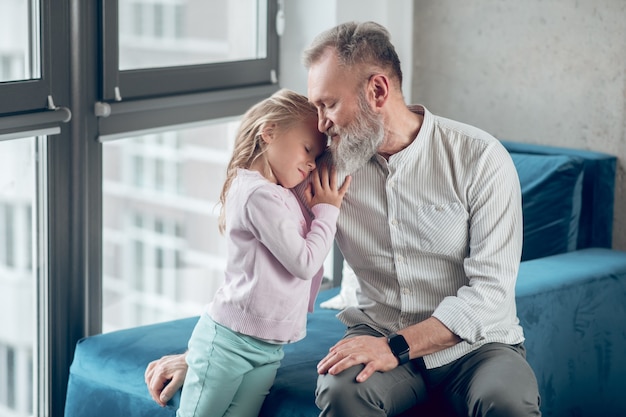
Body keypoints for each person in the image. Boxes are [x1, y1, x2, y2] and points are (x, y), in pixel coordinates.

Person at [146, 21, 542, 417]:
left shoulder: (481, 159)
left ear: (377, 91)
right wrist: (206, 358)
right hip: (375, 332)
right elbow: (263, 258)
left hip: (477, 347)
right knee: (342, 393)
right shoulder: (324, 170)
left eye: (328, 104)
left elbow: (489, 295)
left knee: (505, 403)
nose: (321, 124)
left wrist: (396, 347)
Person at [144, 88, 351, 417]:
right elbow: (304, 262)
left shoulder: (281, 193)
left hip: (270, 348)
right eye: (307, 149)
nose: (312, 163)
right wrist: (328, 211)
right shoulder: (256, 194)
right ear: (268, 132)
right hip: (229, 344)